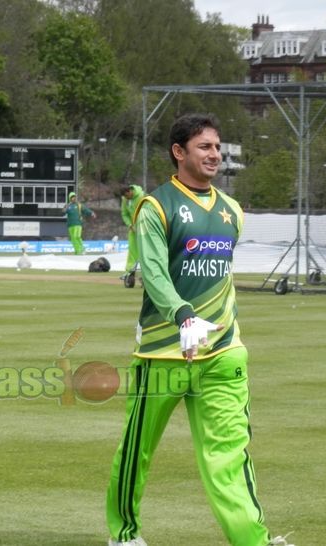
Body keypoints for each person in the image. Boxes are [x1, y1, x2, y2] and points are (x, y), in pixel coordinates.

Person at [106, 113, 293, 546]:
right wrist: (184, 316)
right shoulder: (155, 207)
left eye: (218, 147)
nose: (215, 155)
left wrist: (210, 325)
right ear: (179, 152)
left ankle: (254, 541)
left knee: (230, 456)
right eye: (205, 147)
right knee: (138, 451)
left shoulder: (232, 211)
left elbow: (219, 274)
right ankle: (124, 534)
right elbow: (154, 273)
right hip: (162, 351)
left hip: (223, 350)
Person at [120, 184, 145, 275]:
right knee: (132, 250)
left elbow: (147, 212)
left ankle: (146, 272)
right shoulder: (125, 200)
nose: (127, 198)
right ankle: (130, 271)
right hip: (133, 229)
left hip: (144, 228)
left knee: (145, 250)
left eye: (127, 196)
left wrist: (141, 225)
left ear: (130, 191)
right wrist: (130, 225)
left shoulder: (141, 197)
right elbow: (124, 214)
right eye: (125, 197)